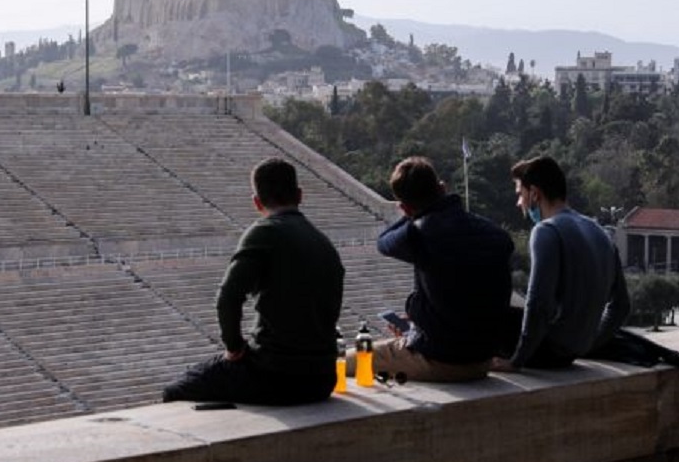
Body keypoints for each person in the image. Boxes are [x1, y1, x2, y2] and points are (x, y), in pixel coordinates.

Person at [162, 157, 344, 405]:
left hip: (275, 375)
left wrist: (234, 347)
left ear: (257, 202)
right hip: (322, 379)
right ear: (300, 195)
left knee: (176, 390)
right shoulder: (324, 242)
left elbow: (227, 298)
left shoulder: (265, 231)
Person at [347, 156, 515, 382]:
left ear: (405, 207)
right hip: (483, 358)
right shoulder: (496, 234)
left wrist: (412, 214)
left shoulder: (419, 235)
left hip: (441, 359)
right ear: (442, 187)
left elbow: (384, 242)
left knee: (346, 359)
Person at [492, 155, 631, 371]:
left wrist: (516, 361)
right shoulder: (600, 232)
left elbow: (539, 304)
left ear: (535, 194)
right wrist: (588, 344)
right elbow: (621, 305)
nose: (518, 203)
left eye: (520, 194)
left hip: (546, 352)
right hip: (573, 351)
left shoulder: (546, 231)